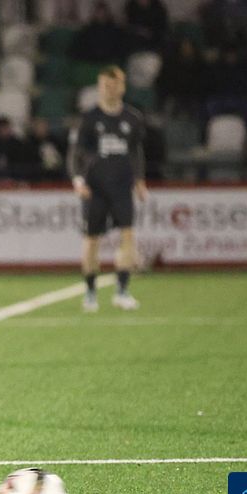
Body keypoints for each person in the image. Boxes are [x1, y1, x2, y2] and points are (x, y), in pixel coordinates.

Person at [68, 65, 148, 312]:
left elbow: (136, 151)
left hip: (122, 186)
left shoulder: (132, 118)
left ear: (122, 87)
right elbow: (76, 153)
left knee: (128, 236)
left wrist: (139, 180)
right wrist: (78, 181)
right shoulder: (89, 118)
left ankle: (121, 292)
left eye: (114, 85)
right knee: (92, 240)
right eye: (105, 85)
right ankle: (90, 292)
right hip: (95, 188)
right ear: (99, 87)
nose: (109, 89)